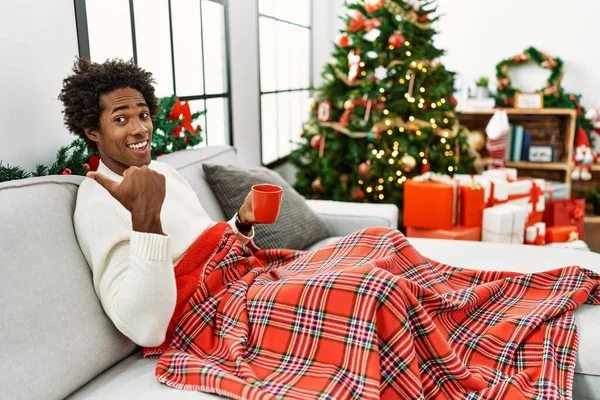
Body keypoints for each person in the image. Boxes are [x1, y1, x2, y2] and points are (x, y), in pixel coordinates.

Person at [61, 58, 256, 346]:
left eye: (143, 115)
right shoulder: (96, 204)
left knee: (346, 265)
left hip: (243, 283)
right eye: (120, 119)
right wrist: (145, 219)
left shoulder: (164, 171)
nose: (140, 129)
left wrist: (241, 221)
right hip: (208, 317)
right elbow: (145, 329)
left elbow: (207, 247)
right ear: (92, 131)